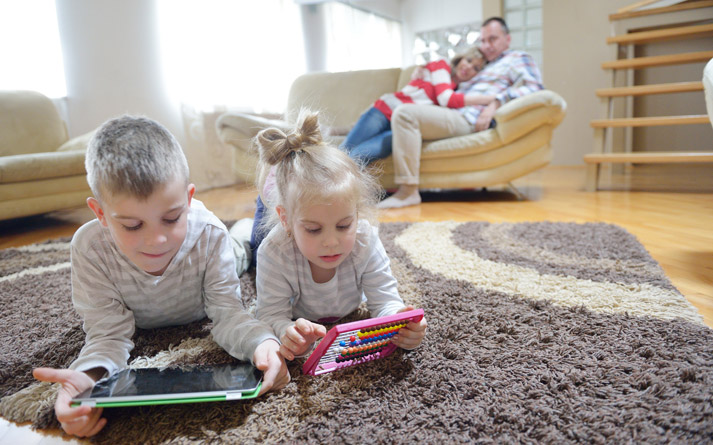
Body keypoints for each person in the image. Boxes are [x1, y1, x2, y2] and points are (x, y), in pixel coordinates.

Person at [32, 115, 290, 438]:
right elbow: (106, 334)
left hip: (218, 264)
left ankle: (241, 232)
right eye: (132, 225)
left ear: (189, 199)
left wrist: (262, 343)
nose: (157, 241)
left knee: (242, 251)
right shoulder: (90, 249)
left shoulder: (209, 234)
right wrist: (89, 378)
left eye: (171, 218)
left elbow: (228, 313)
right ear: (100, 214)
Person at [252, 110, 427, 361]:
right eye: (313, 229)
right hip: (272, 234)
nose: (331, 241)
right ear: (286, 220)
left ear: (357, 214)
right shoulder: (274, 251)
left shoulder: (365, 238)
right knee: (251, 245)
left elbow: (385, 301)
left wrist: (401, 323)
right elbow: (270, 315)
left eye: (344, 225)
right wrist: (285, 331)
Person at [378, 16, 544, 209]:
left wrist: (496, 103)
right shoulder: (483, 64)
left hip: (467, 118)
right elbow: (452, 75)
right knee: (391, 120)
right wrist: (424, 71)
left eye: (493, 39)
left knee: (404, 114)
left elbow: (535, 89)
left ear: (507, 39)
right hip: (450, 111)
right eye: (483, 40)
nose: (486, 45)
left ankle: (408, 192)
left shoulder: (518, 59)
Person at [340, 47, 493, 164]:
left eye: (476, 68)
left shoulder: (458, 91)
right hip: (384, 111)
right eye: (469, 60)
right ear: (460, 59)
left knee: (359, 156)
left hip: (401, 126)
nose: (468, 67)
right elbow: (446, 99)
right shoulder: (441, 66)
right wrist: (488, 99)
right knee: (342, 152)